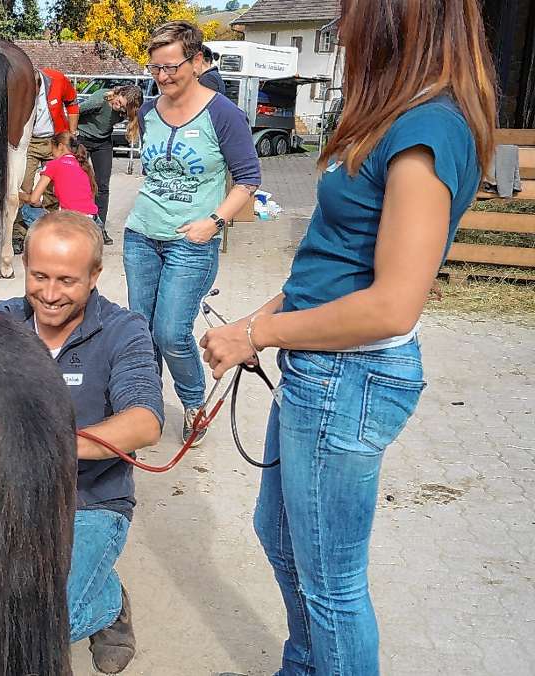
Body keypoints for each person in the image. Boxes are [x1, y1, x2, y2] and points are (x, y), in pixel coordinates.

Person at [200, 1, 497, 674]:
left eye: (354, 12)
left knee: (331, 582)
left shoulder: (427, 130)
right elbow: (329, 268)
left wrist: (261, 332)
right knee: (279, 537)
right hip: (321, 370)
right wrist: (253, 327)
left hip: (349, 377)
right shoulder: (397, 118)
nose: (344, 25)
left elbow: (392, 305)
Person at [0, 210, 163, 675]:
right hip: (3, 503)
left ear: (95, 276)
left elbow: (145, 422)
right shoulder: (3, 320)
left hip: (89, 504)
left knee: (35, 632)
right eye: (39, 276)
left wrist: (46, 443)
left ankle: (108, 600)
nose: (50, 294)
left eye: (68, 280)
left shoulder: (123, 330)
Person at [123, 21, 260, 445]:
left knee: (170, 332)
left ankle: (193, 402)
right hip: (141, 235)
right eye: (155, 69)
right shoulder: (148, 110)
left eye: (172, 67)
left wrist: (215, 221)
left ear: (197, 62)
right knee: (141, 331)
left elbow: (248, 179)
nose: (163, 77)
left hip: (192, 241)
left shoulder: (223, 114)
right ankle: (143, 406)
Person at [14, 67, 79, 252]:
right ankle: (18, 232)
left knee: (55, 188)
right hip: (29, 142)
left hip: (54, 140)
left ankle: (50, 228)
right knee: (23, 185)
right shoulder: (19, 85)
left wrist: (72, 132)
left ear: (38, 83)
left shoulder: (57, 79)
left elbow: (72, 102)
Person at [77, 84, 145, 243]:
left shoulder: (124, 111)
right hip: (82, 139)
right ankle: (77, 224)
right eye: (120, 102)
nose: (119, 107)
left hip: (103, 142)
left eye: (124, 107)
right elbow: (76, 111)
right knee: (79, 183)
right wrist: (72, 133)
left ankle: (99, 227)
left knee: (103, 185)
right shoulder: (100, 98)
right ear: (119, 93)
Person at [19, 132, 99, 229]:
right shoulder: (83, 165)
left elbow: (34, 199)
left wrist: (17, 194)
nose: (51, 154)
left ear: (60, 146)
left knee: (27, 210)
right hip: (93, 220)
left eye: (52, 149)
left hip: (71, 221)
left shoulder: (54, 164)